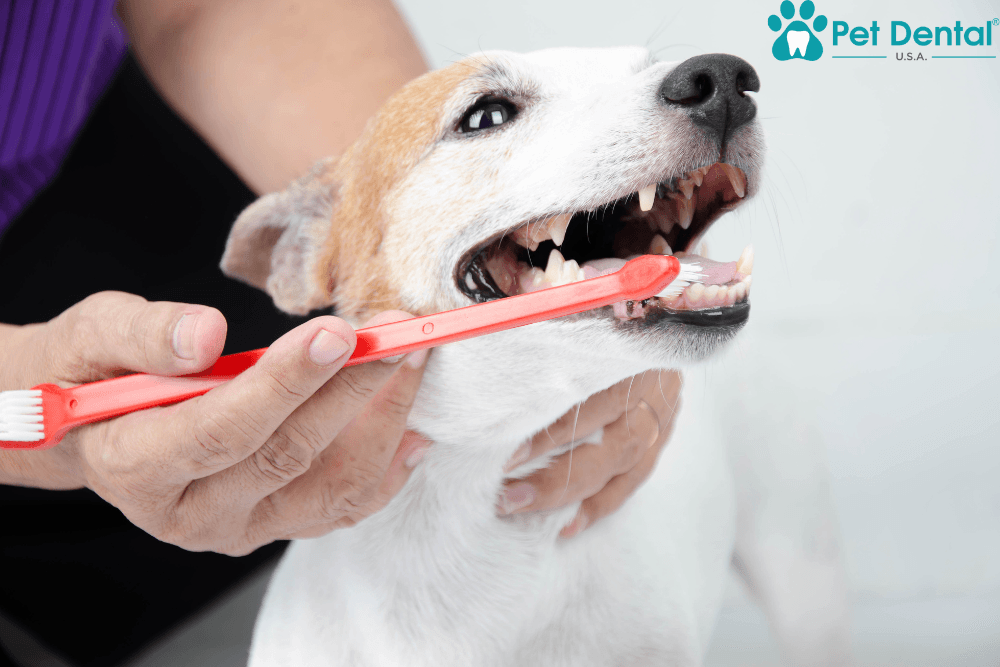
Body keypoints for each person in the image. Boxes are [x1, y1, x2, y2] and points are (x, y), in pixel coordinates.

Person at [0, 1, 682, 664]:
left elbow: (204, 8)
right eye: (490, 115)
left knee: (304, 384)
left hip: (83, 141)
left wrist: (386, 209)